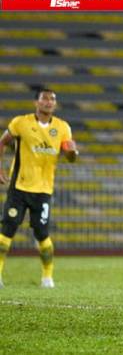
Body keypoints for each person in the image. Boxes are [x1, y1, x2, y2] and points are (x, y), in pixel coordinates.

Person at [0, 89, 78, 288]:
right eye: (44, 98)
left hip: (44, 190)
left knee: (42, 233)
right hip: (19, 187)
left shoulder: (62, 128)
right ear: (36, 102)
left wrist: (73, 153)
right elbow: (2, 142)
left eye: (52, 99)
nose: (49, 102)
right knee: (7, 230)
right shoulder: (21, 123)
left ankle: (47, 277)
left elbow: (70, 157)